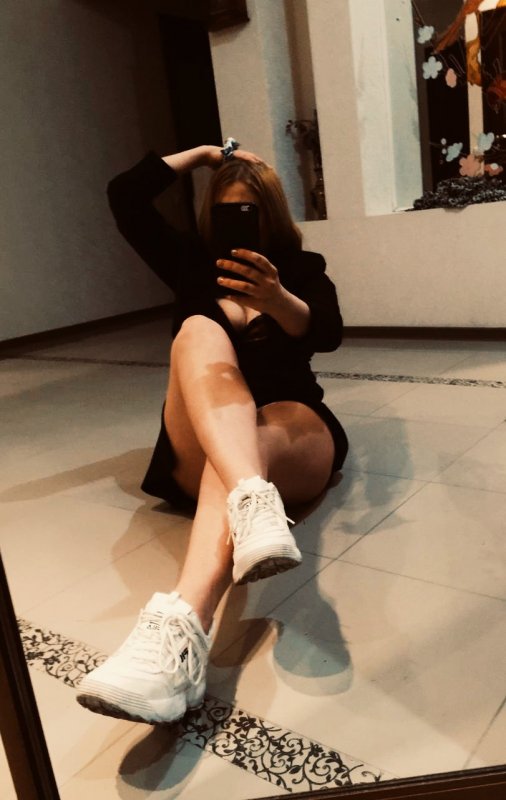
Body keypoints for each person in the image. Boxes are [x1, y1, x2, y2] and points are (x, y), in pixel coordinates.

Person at [76, 140, 348, 725]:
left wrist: (277, 298)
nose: (238, 224)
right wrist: (201, 155)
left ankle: (180, 634)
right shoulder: (190, 263)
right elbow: (125, 197)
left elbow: (327, 333)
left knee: (250, 439)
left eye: (250, 211)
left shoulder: (300, 268)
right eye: (226, 213)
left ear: (271, 213)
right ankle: (252, 498)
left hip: (289, 428)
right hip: (200, 441)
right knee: (197, 330)